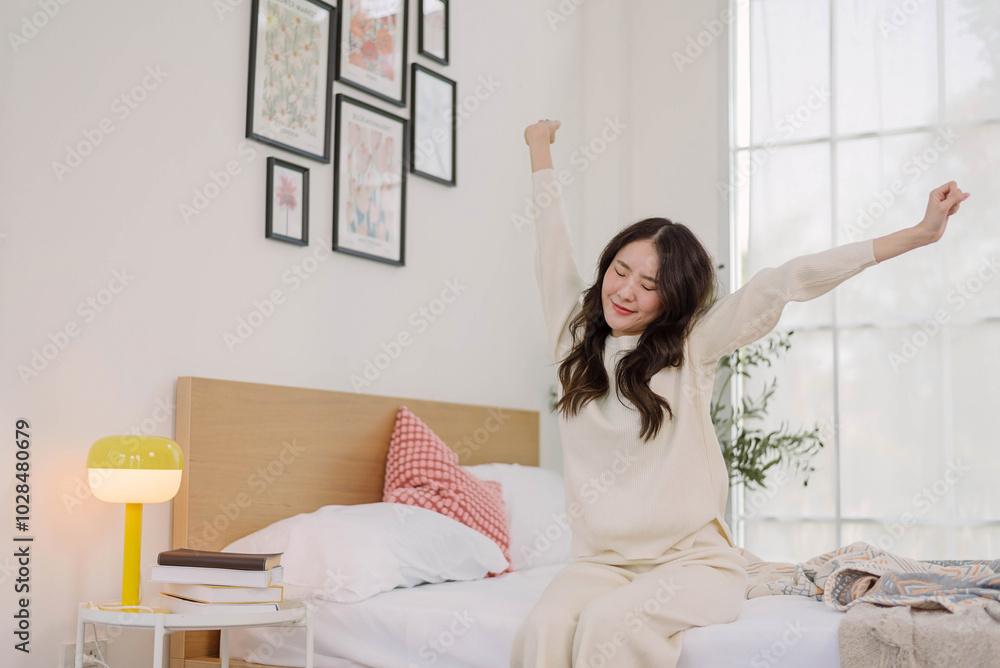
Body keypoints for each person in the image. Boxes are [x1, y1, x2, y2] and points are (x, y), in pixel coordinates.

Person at [512, 119, 971, 668]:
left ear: (671, 299)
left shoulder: (691, 346)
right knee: (542, 627)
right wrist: (539, 148)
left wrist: (917, 234)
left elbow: (784, 280)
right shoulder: (573, 336)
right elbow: (552, 243)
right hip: (599, 565)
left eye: (649, 284)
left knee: (610, 627)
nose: (626, 291)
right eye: (619, 270)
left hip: (693, 565)